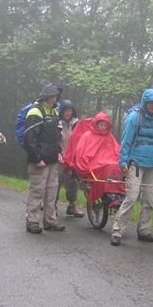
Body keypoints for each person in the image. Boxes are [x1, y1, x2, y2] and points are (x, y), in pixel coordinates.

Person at [110, 89, 153, 246]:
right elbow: (126, 141)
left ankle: (144, 231)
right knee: (131, 197)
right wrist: (123, 162)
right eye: (150, 103)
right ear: (144, 103)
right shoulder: (134, 117)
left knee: (149, 200)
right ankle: (117, 231)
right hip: (136, 164)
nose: (152, 106)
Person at [24, 83, 65, 233]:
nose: (55, 99)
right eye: (52, 96)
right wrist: (37, 158)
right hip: (39, 161)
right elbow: (30, 138)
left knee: (52, 192)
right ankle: (32, 222)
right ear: (45, 96)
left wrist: (58, 152)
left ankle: (50, 221)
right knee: (37, 191)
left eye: (56, 96)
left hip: (53, 159)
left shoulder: (54, 112)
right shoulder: (36, 111)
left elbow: (56, 136)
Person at [64, 111, 124, 204]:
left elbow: (116, 150)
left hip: (108, 161)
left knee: (116, 166)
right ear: (96, 124)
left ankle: (115, 193)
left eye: (105, 125)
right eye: (101, 125)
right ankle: (108, 194)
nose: (103, 127)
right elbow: (81, 152)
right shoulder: (87, 135)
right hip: (93, 164)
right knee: (109, 166)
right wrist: (85, 163)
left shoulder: (109, 136)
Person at [57, 100, 84, 218]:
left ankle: (72, 205)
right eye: (66, 111)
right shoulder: (56, 123)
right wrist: (58, 152)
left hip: (73, 157)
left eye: (70, 111)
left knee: (73, 181)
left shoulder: (76, 124)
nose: (68, 113)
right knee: (57, 181)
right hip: (59, 156)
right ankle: (52, 205)